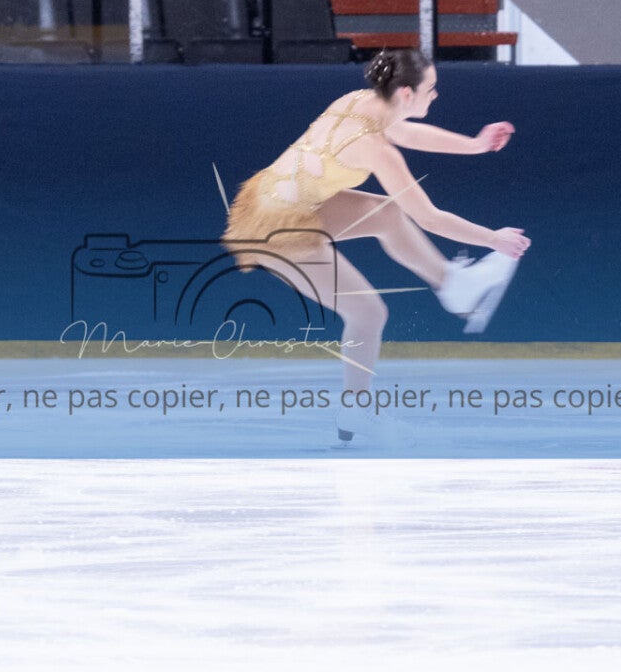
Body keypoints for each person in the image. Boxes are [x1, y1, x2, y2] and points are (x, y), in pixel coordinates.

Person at [219, 48, 530, 440]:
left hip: (276, 201)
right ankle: (356, 411)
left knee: (386, 214)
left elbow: (406, 131)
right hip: (275, 229)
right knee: (367, 312)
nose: (436, 95)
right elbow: (429, 217)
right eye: (431, 89)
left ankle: (454, 285)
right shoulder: (374, 148)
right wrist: (493, 239)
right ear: (405, 93)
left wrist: (475, 144)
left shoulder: (359, 101)